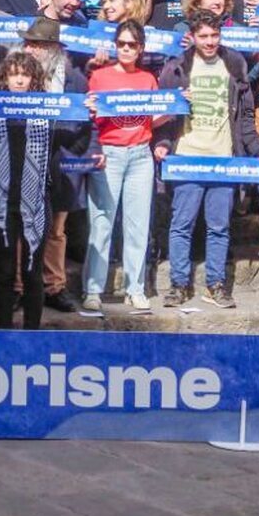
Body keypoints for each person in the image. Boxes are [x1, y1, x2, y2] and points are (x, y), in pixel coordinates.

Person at [154, 10, 259, 310]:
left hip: (223, 161)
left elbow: (244, 116)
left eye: (215, 35)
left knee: (219, 227)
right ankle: (178, 284)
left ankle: (216, 285)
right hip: (187, 158)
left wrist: (257, 149)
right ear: (192, 36)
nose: (210, 41)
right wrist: (164, 142)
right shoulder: (176, 67)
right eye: (203, 36)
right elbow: (162, 117)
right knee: (181, 225)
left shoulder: (234, 64)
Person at [0, 50, 87, 329]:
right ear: (4, 78)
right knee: (4, 272)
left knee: (32, 272)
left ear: (34, 79)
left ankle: (32, 336)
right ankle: (3, 332)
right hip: (0, 200)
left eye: (24, 75)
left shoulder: (47, 113)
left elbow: (76, 138)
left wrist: (88, 113)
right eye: (13, 74)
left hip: (37, 202)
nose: (18, 80)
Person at [83, 20, 158, 313]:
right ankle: (92, 289)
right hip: (109, 153)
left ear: (141, 48)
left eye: (132, 45)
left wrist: (178, 104)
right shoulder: (99, 76)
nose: (126, 49)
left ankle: (135, 288)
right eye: (121, 44)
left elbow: (155, 116)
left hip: (141, 153)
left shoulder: (148, 79)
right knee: (102, 222)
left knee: (138, 225)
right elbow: (90, 119)